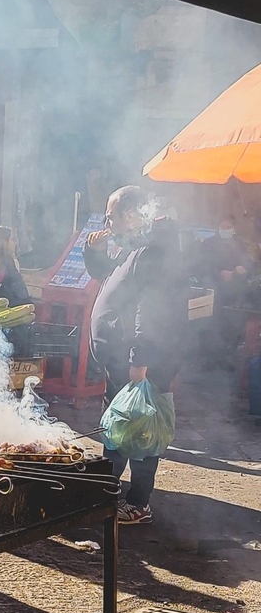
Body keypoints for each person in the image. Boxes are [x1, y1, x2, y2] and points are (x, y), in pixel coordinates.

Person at [84, 186, 188, 524]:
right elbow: (110, 279)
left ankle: (139, 502)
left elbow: (151, 311)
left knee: (142, 432)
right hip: (121, 362)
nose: (107, 223)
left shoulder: (153, 251)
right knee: (118, 429)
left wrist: (139, 360)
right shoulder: (133, 248)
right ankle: (105, 494)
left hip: (142, 364)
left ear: (130, 216)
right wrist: (94, 254)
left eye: (111, 217)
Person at [199, 215, 253, 368]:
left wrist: (243, 268)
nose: (226, 230)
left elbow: (248, 262)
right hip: (215, 290)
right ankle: (210, 359)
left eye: (229, 227)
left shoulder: (239, 244)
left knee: (233, 326)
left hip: (235, 291)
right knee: (214, 325)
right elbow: (203, 266)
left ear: (234, 229)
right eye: (223, 227)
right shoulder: (208, 244)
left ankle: (227, 356)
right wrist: (220, 273)